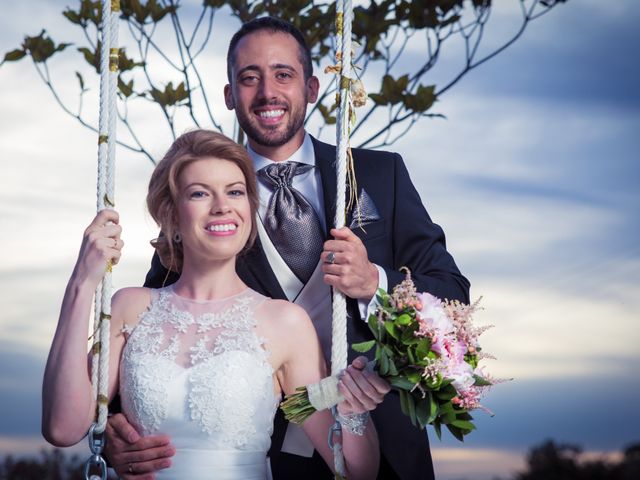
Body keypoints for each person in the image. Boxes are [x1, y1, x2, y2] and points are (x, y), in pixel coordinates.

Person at [105, 17, 470, 480]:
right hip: (267, 456)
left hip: (386, 447)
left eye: (283, 74)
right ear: (229, 95)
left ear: (312, 87)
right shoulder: (200, 205)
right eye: (249, 78)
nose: (267, 92)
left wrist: (373, 282)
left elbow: (452, 293)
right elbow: (150, 328)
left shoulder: (381, 175)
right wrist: (115, 422)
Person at [42, 130, 389, 480]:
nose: (222, 206)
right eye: (199, 193)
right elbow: (62, 428)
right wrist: (82, 284)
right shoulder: (129, 307)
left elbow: (356, 470)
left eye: (235, 192)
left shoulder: (285, 324)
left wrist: (351, 409)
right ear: (172, 217)